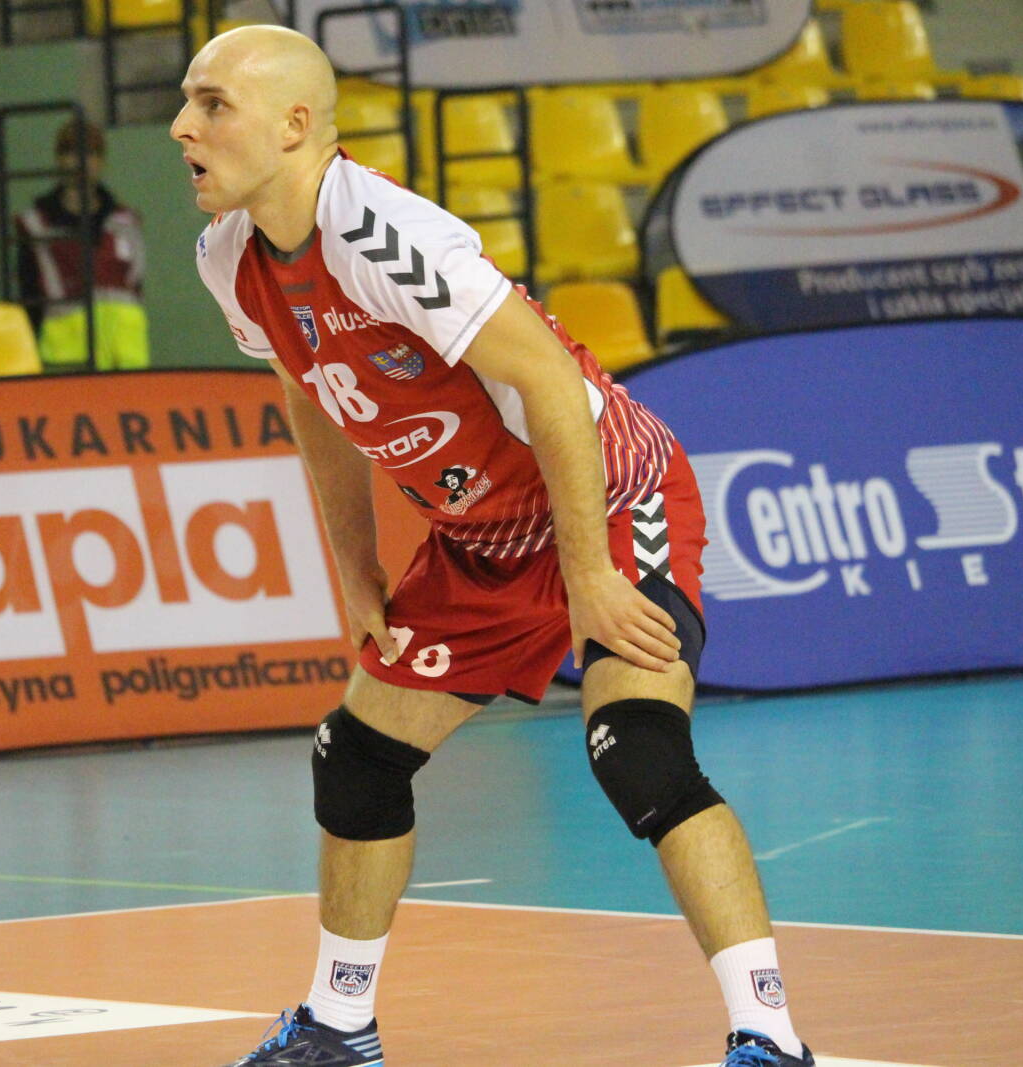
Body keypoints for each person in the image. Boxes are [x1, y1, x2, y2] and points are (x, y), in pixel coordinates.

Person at [173, 26, 814, 1067]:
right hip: (482, 539)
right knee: (357, 756)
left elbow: (552, 382)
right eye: (187, 102)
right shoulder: (228, 258)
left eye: (212, 104)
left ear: (294, 125)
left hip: (612, 497)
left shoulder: (382, 237)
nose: (182, 127)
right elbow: (311, 394)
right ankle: (338, 1026)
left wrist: (590, 574)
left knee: (638, 750)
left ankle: (770, 1036)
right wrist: (355, 565)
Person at [15, 116, 149, 371]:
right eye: (71, 152)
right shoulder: (36, 225)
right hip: (66, 363)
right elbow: (28, 294)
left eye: (90, 153)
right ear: (59, 159)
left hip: (126, 362)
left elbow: (135, 286)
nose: (81, 161)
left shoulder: (126, 222)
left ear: (102, 161)